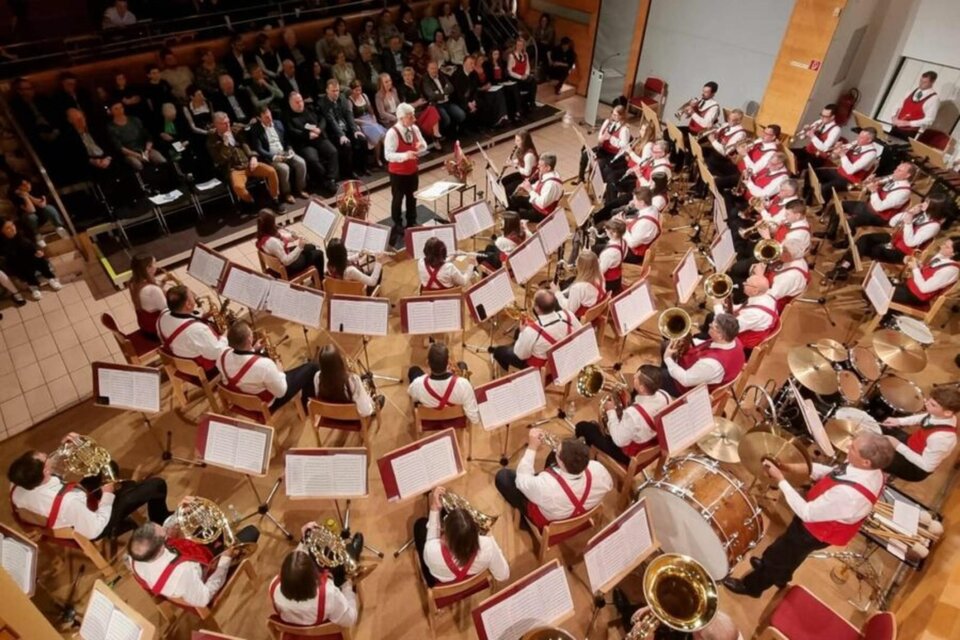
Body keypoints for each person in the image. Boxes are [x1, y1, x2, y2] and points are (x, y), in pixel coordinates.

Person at [722, 433, 895, 598]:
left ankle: (752, 586)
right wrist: (791, 467)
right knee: (792, 554)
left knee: (781, 554)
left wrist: (781, 479)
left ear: (866, 462)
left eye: (854, 448)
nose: (849, 445)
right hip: (819, 518)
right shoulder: (872, 470)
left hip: (816, 531)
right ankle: (781, 576)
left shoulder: (850, 495)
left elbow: (807, 512)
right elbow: (833, 472)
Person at [9, 435, 171, 540]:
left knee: (107, 465)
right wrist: (108, 494)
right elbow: (94, 529)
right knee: (156, 485)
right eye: (45, 457)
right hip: (94, 524)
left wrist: (76, 443)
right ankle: (160, 518)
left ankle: (122, 500)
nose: (47, 454)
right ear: (46, 471)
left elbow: (54, 469)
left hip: (65, 510)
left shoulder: (17, 483)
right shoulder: (69, 501)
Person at [128, 505, 260, 607]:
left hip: (182, 572)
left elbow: (163, 535)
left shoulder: (134, 555)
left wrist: (178, 513)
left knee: (212, 526)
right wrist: (225, 558)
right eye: (165, 533)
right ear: (162, 547)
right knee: (251, 531)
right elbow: (204, 598)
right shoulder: (183, 570)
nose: (166, 530)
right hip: (201, 580)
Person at [495, 429, 613, 529]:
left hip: (549, 520)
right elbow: (609, 485)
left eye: (557, 452)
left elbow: (521, 481)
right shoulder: (599, 469)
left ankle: (526, 523)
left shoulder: (545, 486)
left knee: (503, 477)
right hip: (579, 512)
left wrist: (532, 447)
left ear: (560, 463)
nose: (555, 450)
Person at [829, 195, 946, 280]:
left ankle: (843, 268)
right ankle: (843, 267)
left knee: (868, 249)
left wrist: (909, 223)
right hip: (894, 239)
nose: (923, 203)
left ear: (934, 207)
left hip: (902, 251)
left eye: (927, 202)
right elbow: (893, 222)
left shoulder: (933, 226)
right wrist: (910, 212)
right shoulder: (921, 214)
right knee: (864, 239)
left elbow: (911, 242)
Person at [575, 365, 672, 466]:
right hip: (654, 443)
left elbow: (618, 440)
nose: (633, 377)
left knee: (583, 427)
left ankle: (585, 460)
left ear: (642, 389)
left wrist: (611, 411)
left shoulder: (633, 414)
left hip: (629, 455)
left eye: (636, 378)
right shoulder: (665, 395)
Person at [414, 486, 509, 586]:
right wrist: (491, 540)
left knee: (420, 525)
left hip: (439, 580)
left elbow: (431, 539)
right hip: (473, 581)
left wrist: (434, 508)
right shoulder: (487, 546)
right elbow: (503, 576)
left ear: (445, 534)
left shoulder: (431, 551)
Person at [270, 522, 361, 627]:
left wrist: (303, 541)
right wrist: (348, 585)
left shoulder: (274, 585)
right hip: (322, 620)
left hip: (296, 620)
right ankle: (353, 550)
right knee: (341, 563)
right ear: (314, 574)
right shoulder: (329, 593)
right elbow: (351, 619)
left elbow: (296, 562)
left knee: (326, 554)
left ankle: (350, 550)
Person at [219, 320, 318, 410]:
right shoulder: (264, 365)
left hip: (240, 397)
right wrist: (280, 371)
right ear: (249, 340)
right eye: (251, 333)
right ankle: (307, 406)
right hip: (267, 403)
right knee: (312, 367)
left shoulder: (223, 355)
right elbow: (281, 392)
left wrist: (253, 350)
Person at [881, 385, 960, 482]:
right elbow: (925, 417)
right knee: (880, 428)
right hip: (911, 443)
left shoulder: (942, 439)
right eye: (928, 400)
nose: (926, 404)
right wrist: (899, 421)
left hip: (915, 467)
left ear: (948, 413)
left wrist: (897, 445)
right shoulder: (942, 415)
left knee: (872, 453)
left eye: (933, 404)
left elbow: (927, 466)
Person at [493, 289, 581, 371]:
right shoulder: (569, 315)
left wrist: (523, 332)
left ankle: (515, 374)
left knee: (498, 351)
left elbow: (520, 355)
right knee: (520, 337)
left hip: (542, 371)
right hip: (566, 361)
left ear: (537, 308)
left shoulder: (530, 332)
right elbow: (580, 333)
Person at [207, 111, 282, 208]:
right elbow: (220, 160)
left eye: (228, 122)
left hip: (249, 163)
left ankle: (275, 198)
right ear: (216, 125)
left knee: (271, 171)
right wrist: (225, 145)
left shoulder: (236, 131)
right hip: (235, 168)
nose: (227, 125)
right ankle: (252, 202)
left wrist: (253, 157)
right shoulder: (212, 141)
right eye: (224, 124)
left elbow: (249, 143)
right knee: (238, 187)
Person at [661, 313, 744, 396]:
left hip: (687, 388)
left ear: (720, 336)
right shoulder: (733, 340)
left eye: (712, 326)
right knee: (666, 346)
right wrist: (688, 339)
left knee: (650, 375)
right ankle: (667, 370)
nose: (709, 324)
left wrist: (667, 358)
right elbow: (709, 345)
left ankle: (665, 377)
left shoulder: (711, 364)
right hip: (700, 373)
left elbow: (685, 380)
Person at [831, 162, 916, 243]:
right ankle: (831, 233)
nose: (894, 171)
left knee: (851, 222)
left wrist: (874, 191)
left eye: (899, 170)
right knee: (837, 206)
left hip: (878, 216)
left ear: (907, 175)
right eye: (897, 168)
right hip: (868, 206)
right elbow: (875, 190)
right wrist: (871, 182)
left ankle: (846, 243)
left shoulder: (904, 192)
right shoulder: (893, 180)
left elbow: (879, 207)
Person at [156, 285, 228, 373]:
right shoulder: (197, 330)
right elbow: (216, 353)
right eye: (192, 296)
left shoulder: (163, 314)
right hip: (202, 369)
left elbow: (181, 320)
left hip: (177, 360)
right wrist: (225, 336)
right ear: (188, 304)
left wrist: (202, 317)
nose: (195, 298)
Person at [246, 106, 308, 204]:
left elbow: (286, 139)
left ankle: (301, 189)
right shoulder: (256, 129)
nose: (270, 119)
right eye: (266, 117)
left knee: (301, 162)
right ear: (259, 118)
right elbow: (259, 148)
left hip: (284, 152)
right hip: (271, 156)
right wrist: (274, 157)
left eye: (270, 116)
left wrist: (290, 149)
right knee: (284, 169)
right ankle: (287, 193)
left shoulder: (278, 123)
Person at [384, 102, 428, 242]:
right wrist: (405, 156)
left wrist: (421, 147)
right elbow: (388, 155)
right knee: (397, 199)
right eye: (410, 116)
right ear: (402, 118)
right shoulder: (392, 133)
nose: (414, 119)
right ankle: (397, 224)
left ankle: (411, 221)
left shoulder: (414, 129)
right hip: (398, 174)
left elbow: (423, 144)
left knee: (412, 197)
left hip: (412, 171)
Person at [407, 343, 480, 425]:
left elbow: (411, 393)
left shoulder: (418, 384)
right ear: (448, 363)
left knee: (414, 370)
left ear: (427, 363)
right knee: (462, 365)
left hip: (430, 419)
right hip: (456, 419)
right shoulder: (464, 385)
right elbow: (475, 419)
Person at [285, 92, 339, 194]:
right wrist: (307, 135)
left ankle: (331, 179)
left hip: (318, 136)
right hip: (305, 142)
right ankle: (326, 182)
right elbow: (292, 131)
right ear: (290, 103)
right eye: (296, 102)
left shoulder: (310, 107)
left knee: (333, 152)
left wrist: (319, 129)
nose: (300, 104)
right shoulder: (288, 116)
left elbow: (323, 118)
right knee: (312, 159)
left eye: (300, 100)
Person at [815, 128, 882, 203]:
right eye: (859, 136)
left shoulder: (871, 154)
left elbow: (850, 170)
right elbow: (834, 157)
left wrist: (842, 155)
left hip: (849, 180)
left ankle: (820, 210)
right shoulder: (856, 143)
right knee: (814, 173)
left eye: (861, 138)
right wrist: (837, 150)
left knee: (825, 187)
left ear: (869, 140)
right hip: (839, 172)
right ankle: (808, 200)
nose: (858, 139)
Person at [0, 219, 63, 300]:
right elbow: (8, 257)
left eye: (12, 225)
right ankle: (33, 285)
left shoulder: (22, 231)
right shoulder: (2, 243)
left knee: (39, 258)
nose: (12, 228)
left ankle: (49, 278)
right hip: (17, 262)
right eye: (8, 228)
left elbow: (33, 243)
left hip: (31, 255)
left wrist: (38, 251)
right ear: (2, 231)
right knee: (22, 265)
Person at [317, 79, 368, 179]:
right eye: (333, 91)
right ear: (327, 90)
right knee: (346, 145)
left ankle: (362, 168)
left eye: (337, 90)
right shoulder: (323, 103)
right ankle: (349, 172)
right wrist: (341, 135)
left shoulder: (342, 98)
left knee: (362, 139)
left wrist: (355, 130)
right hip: (334, 132)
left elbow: (348, 114)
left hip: (346, 127)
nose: (336, 93)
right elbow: (331, 121)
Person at [892, 236, 960, 307]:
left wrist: (915, 269)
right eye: (944, 244)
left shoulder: (950, 270)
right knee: (883, 282)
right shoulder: (941, 256)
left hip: (915, 296)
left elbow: (924, 288)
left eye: (947, 247)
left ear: (954, 253)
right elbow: (929, 271)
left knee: (882, 292)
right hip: (910, 285)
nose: (942, 246)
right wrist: (919, 265)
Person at [314, 344, 378, 417]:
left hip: (330, 415)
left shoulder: (317, 377)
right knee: (378, 398)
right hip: (351, 418)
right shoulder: (353, 380)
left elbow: (319, 397)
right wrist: (369, 400)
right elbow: (366, 411)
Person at [256, 209, 324, 277]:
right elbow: (286, 261)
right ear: (270, 225)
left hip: (281, 258)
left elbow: (282, 237)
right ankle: (319, 281)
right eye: (273, 222)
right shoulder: (273, 242)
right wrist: (300, 247)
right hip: (288, 267)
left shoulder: (262, 234)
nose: (275, 224)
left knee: (311, 247)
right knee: (318, 253)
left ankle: (315, 277)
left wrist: (293, 237)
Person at [752, 238, 810, 312]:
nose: (779, 252)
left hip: (774, 305)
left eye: (783, 250)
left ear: (789, 255)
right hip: (777, 288)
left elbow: (770, 296)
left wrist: (759, 276)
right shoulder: (799, 259)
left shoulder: (788, 277)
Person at [107, 101, 166, 172]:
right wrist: (138, 155)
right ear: (111, 111)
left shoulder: (134, 120)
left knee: (160, 159)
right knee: (137, 164)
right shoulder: (111, 127)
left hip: (145, 149)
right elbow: (120, 147)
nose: (120, 110)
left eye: (121, 107)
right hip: (130, 153)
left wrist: (147, 151)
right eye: (116, 109)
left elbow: (148, 137)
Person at [578, 105, 630, 184]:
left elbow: (624, 145)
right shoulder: (609, 122)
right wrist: (601, 138)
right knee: (585, 153)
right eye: (612, 114)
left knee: (598, 164)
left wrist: (611, 138)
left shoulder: (624, 129)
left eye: (615, 115)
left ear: (621, 116)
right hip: (603, 148)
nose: (613, 116)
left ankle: (596, 185)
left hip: (612, 154)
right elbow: (600, 135)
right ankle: (581, 178)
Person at [551, 250, 606, 320]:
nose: (575, 265)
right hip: (592, 307)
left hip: (577, 318)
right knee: (566, 287)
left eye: (577, 264)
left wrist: (557, 292)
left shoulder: (578, 288)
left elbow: (569, 309)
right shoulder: (600, 275)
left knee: (547, 302)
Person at [508, 153, 563, 222]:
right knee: (514, 199)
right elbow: (538, 185)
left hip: (542, 213)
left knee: (515, 215)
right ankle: (518, 220)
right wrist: (526, 188)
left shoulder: (551, 184)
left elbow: (542, 203)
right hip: (536, 203)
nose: (538, 166)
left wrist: (530, 190)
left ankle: (516, 222)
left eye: (540, 165)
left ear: (548, 168)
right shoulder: (548, 174)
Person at [10, 176, 68, 241]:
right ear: (19, 188)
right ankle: (37, 236)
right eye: (23, 185)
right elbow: (31, 210)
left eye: (28, 183)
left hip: (42, 214)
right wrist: (25, 197)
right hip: (30, 219)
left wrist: (28, 195)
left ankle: (59, 228)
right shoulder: (16, 197)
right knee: (31, 217)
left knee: (49, 208)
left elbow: (42, 205)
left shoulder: (37, 188)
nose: (27, 186)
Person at [396, 67, 443, 145]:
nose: (407, 77)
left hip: (421, 109)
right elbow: (403, 106)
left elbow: (422, 97)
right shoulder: (402, 89)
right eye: (405, 75)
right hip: (412, 114)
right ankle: (435, 136)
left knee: (432, 109)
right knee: (431, 112)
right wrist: (417, 103)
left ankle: (435, 135)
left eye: (409, 75)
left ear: (413, 76)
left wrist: (423, 101)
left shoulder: (416, 85)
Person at [889, 70, 940, 139]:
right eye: (920, 81)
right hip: (896, 127)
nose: (921, 84)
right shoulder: (911, 91)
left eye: (925, 82)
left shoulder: (933, 99)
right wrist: (894, 117)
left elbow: (929, 120)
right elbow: (898, 105)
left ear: (932, 82)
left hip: (909, 131)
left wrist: (908, 123)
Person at [791, 103, 842, 170]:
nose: (821, 118)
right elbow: (802, 138)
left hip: (818, 157)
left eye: (825, 116)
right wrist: (805, 131)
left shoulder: (836, 130)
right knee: (788, 154)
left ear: (832, 117)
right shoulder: (819, 122)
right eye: (821, 115)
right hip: (807, 150)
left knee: (797, 165)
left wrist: (813, 136)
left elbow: (824, 148)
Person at [347, 79, 386, 165]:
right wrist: (366, 122)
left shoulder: (364, 96)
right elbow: (351, 118)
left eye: (359, 90)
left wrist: (374, 117)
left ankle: (384, 157)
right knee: (378, 134)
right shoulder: (349, 101)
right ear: (352, 90)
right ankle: (379, 159)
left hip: (370, 120)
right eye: (356, 90)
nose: (358, 92)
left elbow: (370, 109)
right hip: (361, 123)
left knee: (382, 134)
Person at [422, 61, 465, 138]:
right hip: (437, 105)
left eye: (435, 68)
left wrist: (439, 93)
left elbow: (451, 88)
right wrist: (444, 93)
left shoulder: (441, 75)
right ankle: (445, 134)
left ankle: (454, 131)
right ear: (428, 69)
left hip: (448, 102)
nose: (434, 70)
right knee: (446, 119)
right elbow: (431, 95)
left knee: (461, 115)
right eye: (432, 68)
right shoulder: (425, 80)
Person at [129, 254, 168, 338]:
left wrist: (163, 282)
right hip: (155, 330)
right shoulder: (152, 290)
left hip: (144, 324)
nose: (156, 266)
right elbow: (167, 309)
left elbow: (150, 297)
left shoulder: (133, 282)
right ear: (148, 268)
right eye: (155, 263)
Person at [621, 187, 662, 264]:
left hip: (633, 254)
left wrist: (623, 227)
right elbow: (638, 221)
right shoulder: (652, 208)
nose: (633, 202)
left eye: (635, 200)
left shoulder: (645, 224)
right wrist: (626, 221)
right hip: (634, 239)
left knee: (599, 248)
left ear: (642, 202)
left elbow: (632, 244)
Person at [500, 130, 539, 197]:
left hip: (531, 179)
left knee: (508, 188)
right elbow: (519, 160)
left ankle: (511, 203)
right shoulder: (522, 149)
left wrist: (515, 166)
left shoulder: (529, 155)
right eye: (515, 140)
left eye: (518, 141)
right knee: (504, 181)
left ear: (524, 142)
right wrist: (511, 163)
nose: (515, 142)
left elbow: (527, 172)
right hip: (523, 175)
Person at [506, 37, 537, 113]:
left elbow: (528, 67)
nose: (519, 47)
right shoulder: (511, 56)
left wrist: (526, 75)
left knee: (533, 81)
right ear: (516, 45)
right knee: (530, 81)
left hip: (524, 77)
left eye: (521, 45)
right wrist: (520, 77)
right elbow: (509, 71)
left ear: (523, 46)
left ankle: (531, 102)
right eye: (518, 45)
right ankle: (523, 105)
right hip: (515, 77)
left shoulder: (525, 54)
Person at [598, 218, 627, 293]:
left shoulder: (609, 253)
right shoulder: (624, 241)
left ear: (614, 233)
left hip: (609, 283)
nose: (605, 230)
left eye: (607, 229)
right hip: (617, 278)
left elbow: (600, 272)